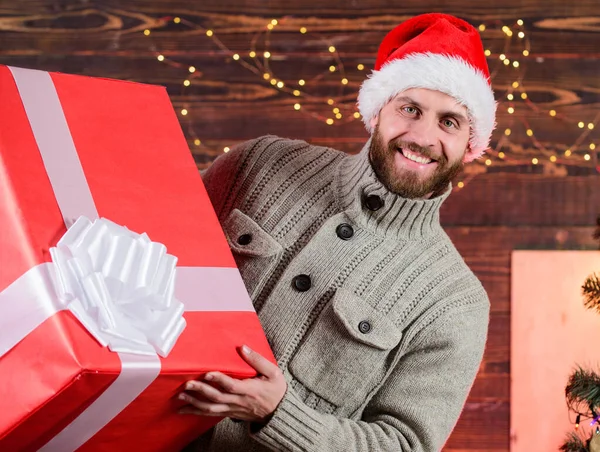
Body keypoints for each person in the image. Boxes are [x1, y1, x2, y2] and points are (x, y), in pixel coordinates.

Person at [180, 12, 496, 451]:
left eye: (449, 122)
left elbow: (404, 446)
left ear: (470, 143)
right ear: (378, 110)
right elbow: (156, 248)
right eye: (410, 109)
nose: (423, 135)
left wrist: (278, 413)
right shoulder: (260, 162)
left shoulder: (454, 303)